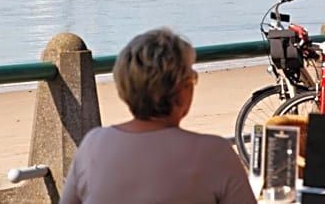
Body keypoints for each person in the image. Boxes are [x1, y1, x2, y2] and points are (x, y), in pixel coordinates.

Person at [60, 28, 255, 204]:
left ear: (124, 87)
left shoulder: (93, 145)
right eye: (191, 80)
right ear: (182, 90)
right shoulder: (215, 154)